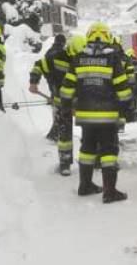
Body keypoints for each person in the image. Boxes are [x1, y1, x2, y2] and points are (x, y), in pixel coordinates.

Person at [59, 22, 133, 203]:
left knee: (87, 149)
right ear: (107, 37)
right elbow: (122, 90)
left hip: (85, 116)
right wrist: (125, 108)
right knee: (108, 151)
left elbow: (66, 90)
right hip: (108, 116)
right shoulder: (113, 59)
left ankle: (85, 186)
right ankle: (110, 192)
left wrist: (67, 107)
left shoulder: (77, 58)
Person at [54, 33, 86, 176]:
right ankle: (65, 163)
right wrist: (34, 81)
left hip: (81, 100)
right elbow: (40, 66)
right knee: (65, 132)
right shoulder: (57, 57)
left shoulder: (84, 59)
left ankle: (91, 160)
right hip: (63, 101)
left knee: (90, 130)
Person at [29, 34, 69, 142]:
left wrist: (34, 82)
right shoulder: (64, 54)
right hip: (63, 89)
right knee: (62, 114)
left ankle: (56, 134)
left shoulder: (49, 53)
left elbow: (38, 66)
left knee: (58, 111)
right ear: (64, 43)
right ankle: (55, 136)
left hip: (54, 87)